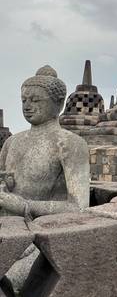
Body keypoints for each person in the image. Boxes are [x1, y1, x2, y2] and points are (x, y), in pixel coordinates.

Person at [0, 65, 90, 218]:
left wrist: (24, 206)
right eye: (24, 100)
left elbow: (79, 206)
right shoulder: (11, 142)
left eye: (36, 100)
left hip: (43, 230)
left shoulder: (70, 144)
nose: (27, 106)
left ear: (59, 103)